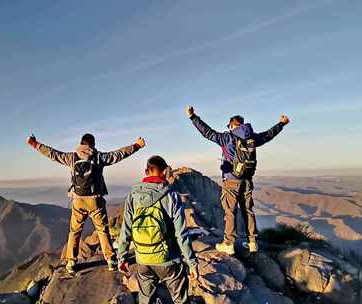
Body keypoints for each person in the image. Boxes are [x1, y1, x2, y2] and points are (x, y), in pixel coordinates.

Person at [27, 133, 146, 273]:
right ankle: (111, 260)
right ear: (93, 145)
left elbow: (53, 154)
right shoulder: (99, 157)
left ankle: (71, 263)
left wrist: (36, 144)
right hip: (95, 200)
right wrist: (136, 146)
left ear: (81, 144)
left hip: (78, 200)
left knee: (74, 231)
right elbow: (118, 154)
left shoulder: (71, 157)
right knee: (102, 230)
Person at [186, 106, 290, 254]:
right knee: (248, 210)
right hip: (247, 180)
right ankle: (253, 242)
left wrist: (193, 117)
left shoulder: (227, 137)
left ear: (232, 124)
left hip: (231, 181)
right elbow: (268, 135)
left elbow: (207, 132)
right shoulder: (252, 138)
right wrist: (281, 124)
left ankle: (228, 243)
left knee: (230, 211)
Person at [117, 155, 199, 304]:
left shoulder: (132, 196)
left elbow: (126, 230)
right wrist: (192, 263)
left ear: (146, 171)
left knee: (146, 299)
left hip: (143, 259)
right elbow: (181, 234)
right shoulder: (172, 196)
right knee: (180, 299)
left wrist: (121, 258)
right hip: (169, 260)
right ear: (163, 172)